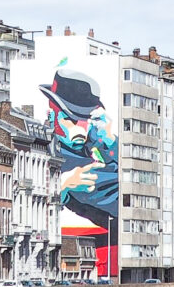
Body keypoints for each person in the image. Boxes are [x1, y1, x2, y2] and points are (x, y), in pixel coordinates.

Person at [40, 68, 118, 232]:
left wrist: (111, 142)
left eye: (87, 119)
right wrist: (63, 185)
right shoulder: (46, 150)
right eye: (70, 119)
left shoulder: (99, 144)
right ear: (52, 114)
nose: (81, 128)